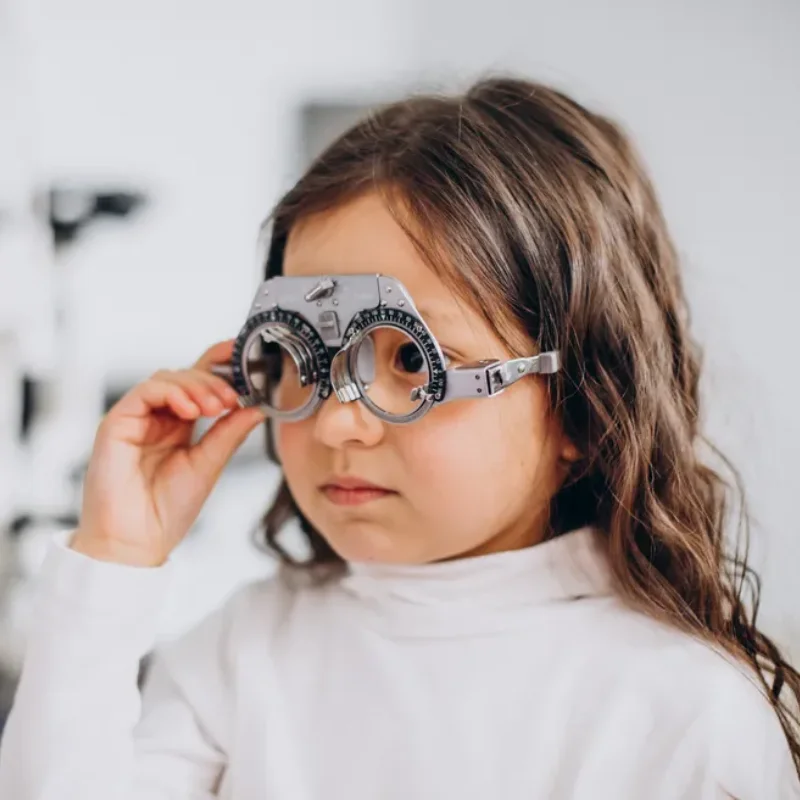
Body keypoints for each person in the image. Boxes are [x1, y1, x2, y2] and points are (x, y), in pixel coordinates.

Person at [0, 77, 798, 800]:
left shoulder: (680, 715)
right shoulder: (245, 655)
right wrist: (114, 557)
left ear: (583, 409)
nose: (338, 421)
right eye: (302, 355)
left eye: (414, 359)